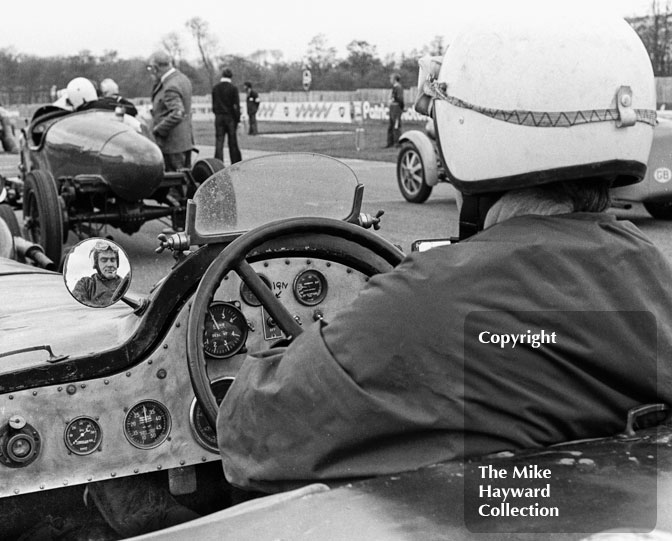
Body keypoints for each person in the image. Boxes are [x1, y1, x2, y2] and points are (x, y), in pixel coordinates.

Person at [216, 15, 672, 493]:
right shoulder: (652, 270)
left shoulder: (427, 300)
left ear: (471, 137)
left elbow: (253, 436)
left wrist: (302, 349)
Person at [147, 50, 195, 172]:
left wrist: (157, 130)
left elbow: (177, 113)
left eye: (150, 68)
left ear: (156, 68)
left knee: (175, 185)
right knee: (184, 180)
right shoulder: (182, 79)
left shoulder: (170, 85)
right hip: (184, 141)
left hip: (172, 144)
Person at [71, 240, 125, 308]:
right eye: (104, 260)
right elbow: (77, 305)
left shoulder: (124, 284)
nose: (110, 264)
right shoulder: (86, 284)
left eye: (113, 260)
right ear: (96, 263)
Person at [211, 68, 242, 164]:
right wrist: (237, 119)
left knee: (219, 141)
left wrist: (217, 113)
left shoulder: (215, 88)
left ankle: (218, 162)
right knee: (232, 142)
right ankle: (235, 162)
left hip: (219, 117)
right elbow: (236, 105)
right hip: (230, 117)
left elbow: (214, 104)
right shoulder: (233, 88)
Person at [385, 73, 404, 148]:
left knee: (396, 125)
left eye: (391, 78)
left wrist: (401, 107)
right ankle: (390, 142)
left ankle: (397, 143)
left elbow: (400, 99)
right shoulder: (394, 87)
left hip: (396, 108)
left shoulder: (398, 87)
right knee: (391, 125)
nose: (390, 80)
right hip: (392, 108)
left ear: (395, 79)